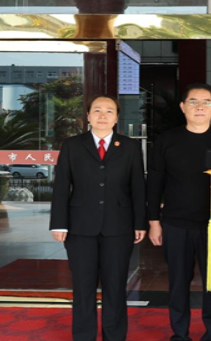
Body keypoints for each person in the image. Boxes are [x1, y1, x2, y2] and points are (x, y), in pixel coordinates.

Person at [147, 82, 211, 341]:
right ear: (183, 107)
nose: (199, 107)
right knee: (178, 283)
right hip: (175, 223)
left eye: (206, 102)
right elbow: (155, 183)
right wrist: (154, 221)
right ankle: (179, 334)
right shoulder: (167, 140)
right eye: (193, 102)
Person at [50, 95, 147, 341]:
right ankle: (84, 336)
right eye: (97, 110)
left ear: (116, 118)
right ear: (88, 116)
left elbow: (138, 186)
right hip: (79, 227)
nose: (103, 115)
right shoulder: (72, 145)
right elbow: (61, 186)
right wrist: (59, 223)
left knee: (115, 286)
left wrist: (139, 222)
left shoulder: (130, 146)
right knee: (83, 287)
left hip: (119, 226)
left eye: (109, 111)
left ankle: (115, 336)